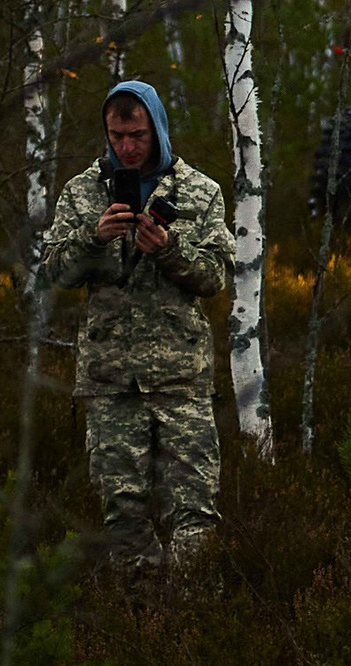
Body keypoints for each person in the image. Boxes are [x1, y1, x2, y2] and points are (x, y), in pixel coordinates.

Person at [42, 80, 235, 579]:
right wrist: (93, 238)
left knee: (194, 513)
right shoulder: (84, 192)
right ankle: (142, 630)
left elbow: (216, 277)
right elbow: (52, 274)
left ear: (157, 129)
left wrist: (169, 249)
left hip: (180, 379)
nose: (127, 147)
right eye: (117, 136)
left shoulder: (200, 192)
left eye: (138, 135)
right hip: (111, 381)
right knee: (123, 516)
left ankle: (194, 627)